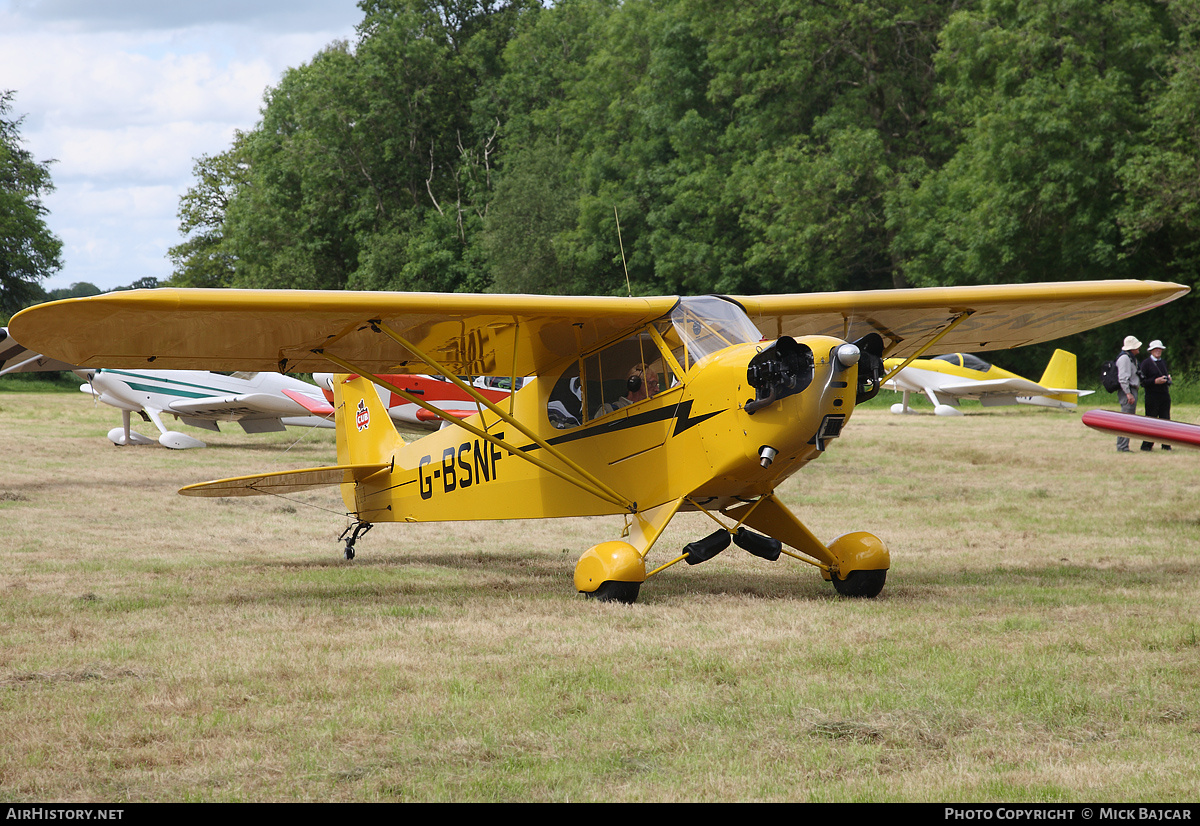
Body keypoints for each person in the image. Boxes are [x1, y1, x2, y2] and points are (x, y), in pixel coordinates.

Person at [1139, 339, 1172, 451]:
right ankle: (1147, 445)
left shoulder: (1163, 362)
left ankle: (1166, 444)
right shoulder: (1145, 363)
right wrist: (1155, 381)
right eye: (1155, 349)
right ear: (1151, 351)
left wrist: (1168, 379)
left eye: (1160, 349)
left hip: (1164, 394)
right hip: (1152, 395)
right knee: (1151, 420)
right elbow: (1143, 382)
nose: (1158, 351)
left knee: (1165, 419)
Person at [595, 363, 660, 417]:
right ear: (636, 384)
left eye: (657, 385)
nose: (657, 389)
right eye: (653, 383)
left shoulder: (654, 409)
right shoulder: (609, 410)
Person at [1116, 335, 1141, 452]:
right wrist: (1128, 393)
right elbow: (1122, 378)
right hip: (1128, 391)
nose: (1138, 348)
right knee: (1125, 419)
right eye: (1136, 347)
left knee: (1128, 419)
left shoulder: (1130, 358)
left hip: (1131, 390)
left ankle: (1124, 446)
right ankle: (1122, 447)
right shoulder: (1125, 359)